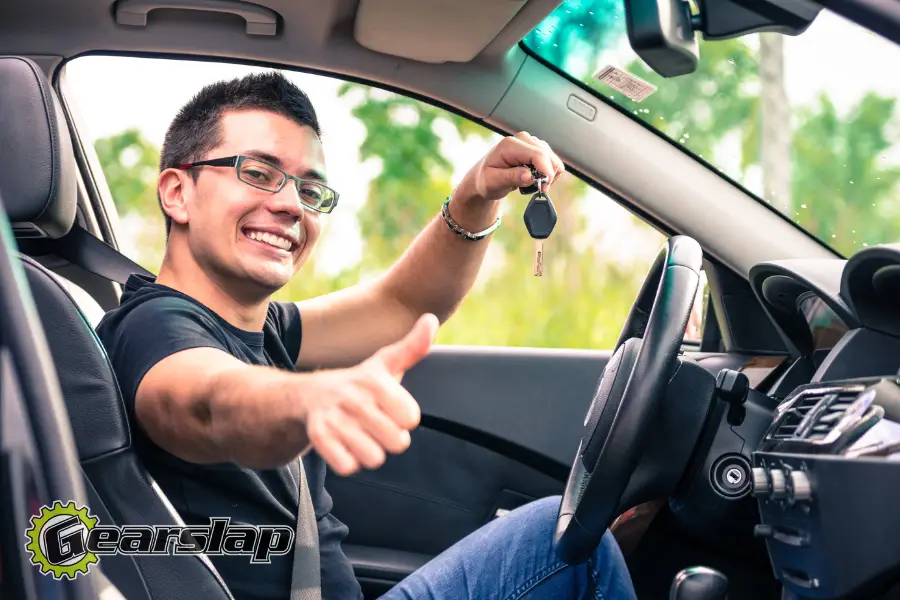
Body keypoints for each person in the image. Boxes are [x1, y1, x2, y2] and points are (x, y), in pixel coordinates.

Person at [96, 71, 637, 600]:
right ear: (177, 193)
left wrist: (476, 194)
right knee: (565, 545)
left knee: (562, 537)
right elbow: (204, 404)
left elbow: (404, 303)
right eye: (258, 173)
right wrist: (310, 398)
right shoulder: (152, 326)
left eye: (310, 189)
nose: (291, 205)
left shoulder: (262, 329)